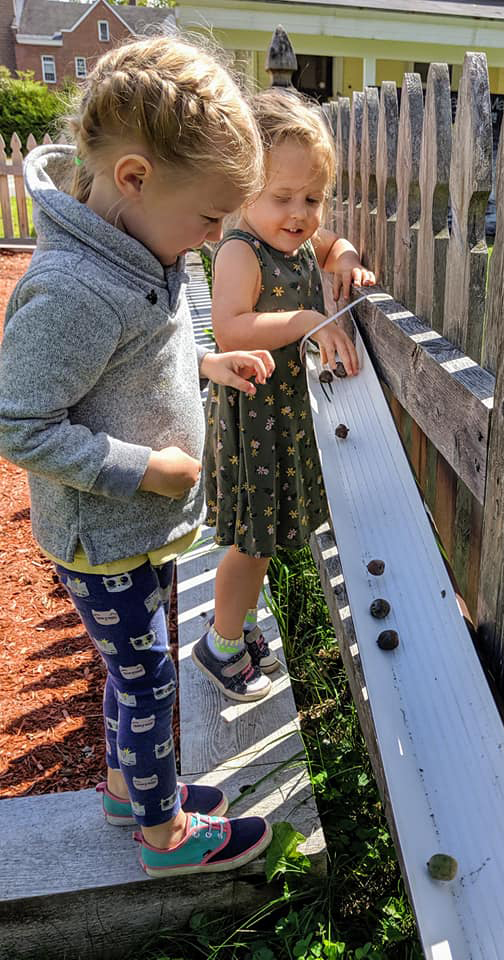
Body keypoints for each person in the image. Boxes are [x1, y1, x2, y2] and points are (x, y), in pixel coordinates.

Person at [0, 35, 275, 877]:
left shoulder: (139, 250)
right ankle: (163, 838)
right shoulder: (74, 287)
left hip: (139, 532)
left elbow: (129, 364)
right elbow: (19, 424)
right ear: (133, 179)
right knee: (149, 679)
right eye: (208, 219)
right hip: (103, 534)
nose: (212, 237)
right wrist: (143, 468)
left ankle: (132, 791)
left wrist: (204, 364)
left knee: (134, 672)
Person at [192, 88, 375, 702]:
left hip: (280, 416)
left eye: (313, 199)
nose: (299, 213)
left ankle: (235, 625)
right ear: (246, 190)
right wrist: (302, 322)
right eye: (282, 197)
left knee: (263, 539)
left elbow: (331, 246)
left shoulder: (293, 240)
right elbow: (231, 329)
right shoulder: (242, 251)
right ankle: (220, 645)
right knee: (253, 542)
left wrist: (346, 258)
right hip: (254, 418)